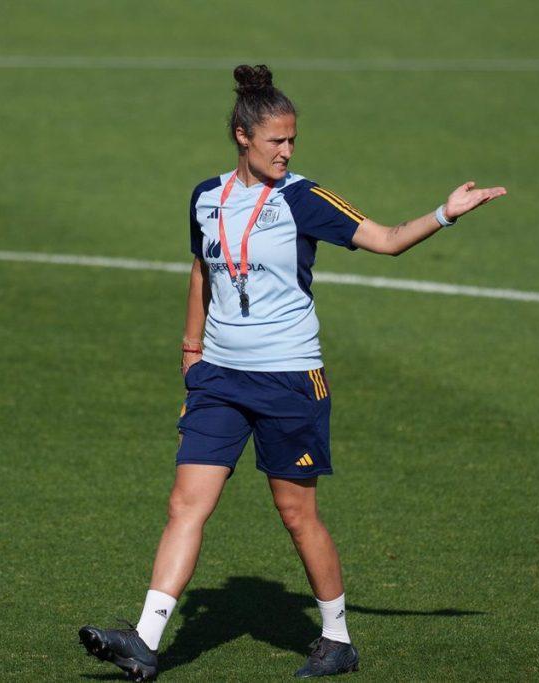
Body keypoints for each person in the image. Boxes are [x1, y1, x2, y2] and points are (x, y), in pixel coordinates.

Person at [79, 64, 506, 681]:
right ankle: (145, 640)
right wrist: (191, 351)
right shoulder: (205, 197)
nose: (287, 150)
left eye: (292, 140)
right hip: (220, 377)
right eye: (276, 140)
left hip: (289, 379)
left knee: (296, 513)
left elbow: (385, 240)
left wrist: (446, 212)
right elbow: (203, 270)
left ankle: (336, 639)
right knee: (185, 505)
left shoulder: (303, 199)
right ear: (242, 136)